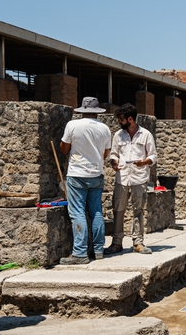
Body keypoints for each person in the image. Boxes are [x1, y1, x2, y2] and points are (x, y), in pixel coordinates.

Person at [60, 97, 112, 264]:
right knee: (96, 211)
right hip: (97, 173)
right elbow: (105, 153)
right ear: (97, 112)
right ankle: (98, 250)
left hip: (77, 173)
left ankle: (80, 253)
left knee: (77, 212)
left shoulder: (73, 125)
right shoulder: (105, 129)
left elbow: (64, 149)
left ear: (82, 110)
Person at [105, 103, 157, 256]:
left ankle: (138, 242)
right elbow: (114, 153)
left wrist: (144, 162)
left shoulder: (146, 134)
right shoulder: (118, 135)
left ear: (130, 119)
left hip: (139, 178)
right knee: (118, 210)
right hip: (122, 178)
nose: (119, 122)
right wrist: (113, 162)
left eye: (121, 119)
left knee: (138, 210)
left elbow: (153, 155)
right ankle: (116, 243)